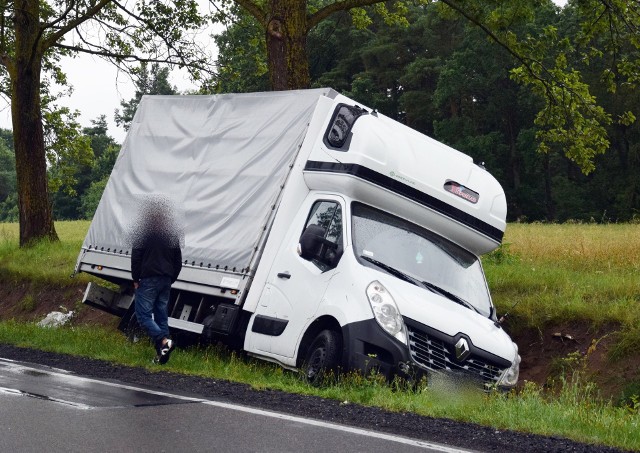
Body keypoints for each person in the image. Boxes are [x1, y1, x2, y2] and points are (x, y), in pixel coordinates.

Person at [131, 206, 183, 364]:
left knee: (143, 316)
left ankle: (163, 342)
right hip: (166, 280)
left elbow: (136, 257)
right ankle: (161, 356)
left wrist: (135, 278)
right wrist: (171, 278)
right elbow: (178, 261)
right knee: (161, 317)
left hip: (148, 279)